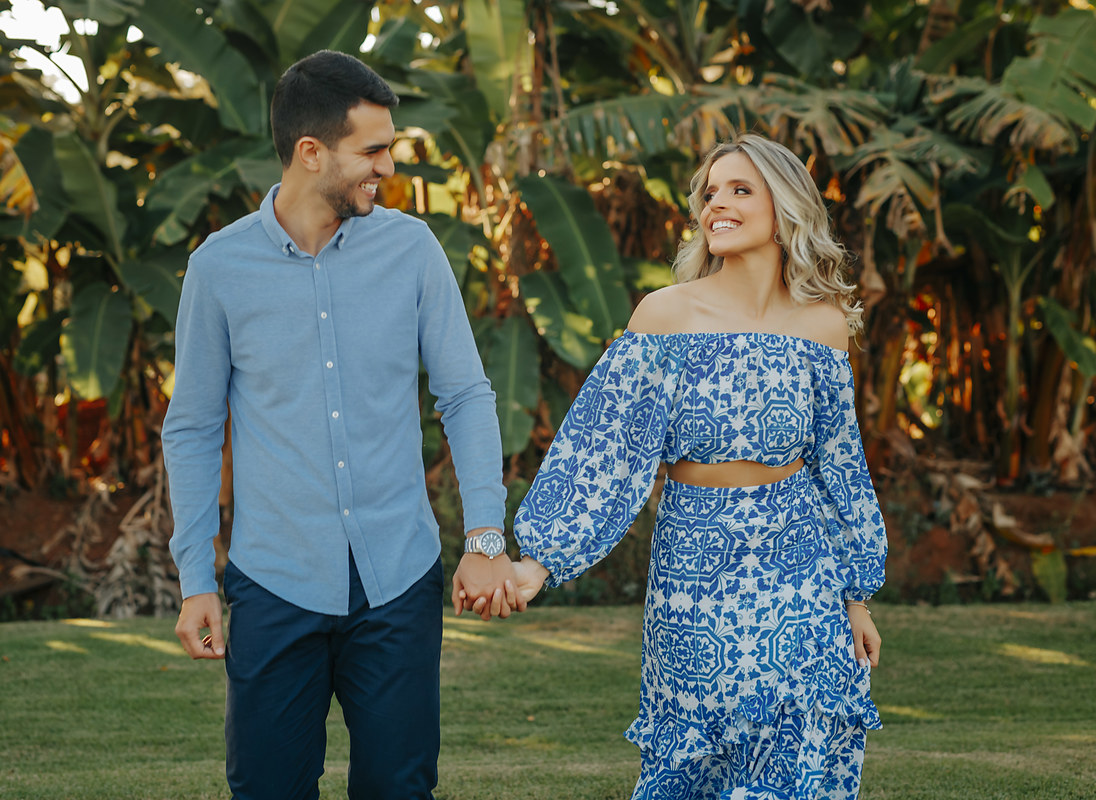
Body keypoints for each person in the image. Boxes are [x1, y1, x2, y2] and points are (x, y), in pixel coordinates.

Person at [161, 50, 522, 800]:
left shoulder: (412, 250)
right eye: (373, 150)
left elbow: (465, 394)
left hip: (398, 581)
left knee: (399, 789)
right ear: (311, 152)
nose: (387, 166)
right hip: (274, 583)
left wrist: (485, 538)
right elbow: (192, 427)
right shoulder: (218, 268)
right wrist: (196, 579)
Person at [508, 133, 886, 799]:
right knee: (692, 760)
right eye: (710, 193)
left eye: (740, 190)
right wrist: (539, 562)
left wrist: (855, 598)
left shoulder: (822, 325)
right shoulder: (666, 315)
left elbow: (840, 468)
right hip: (695, 566)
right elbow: (604, 450)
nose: (718, 205)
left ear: (784, 207)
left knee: (798, 744)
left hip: (800, 568)